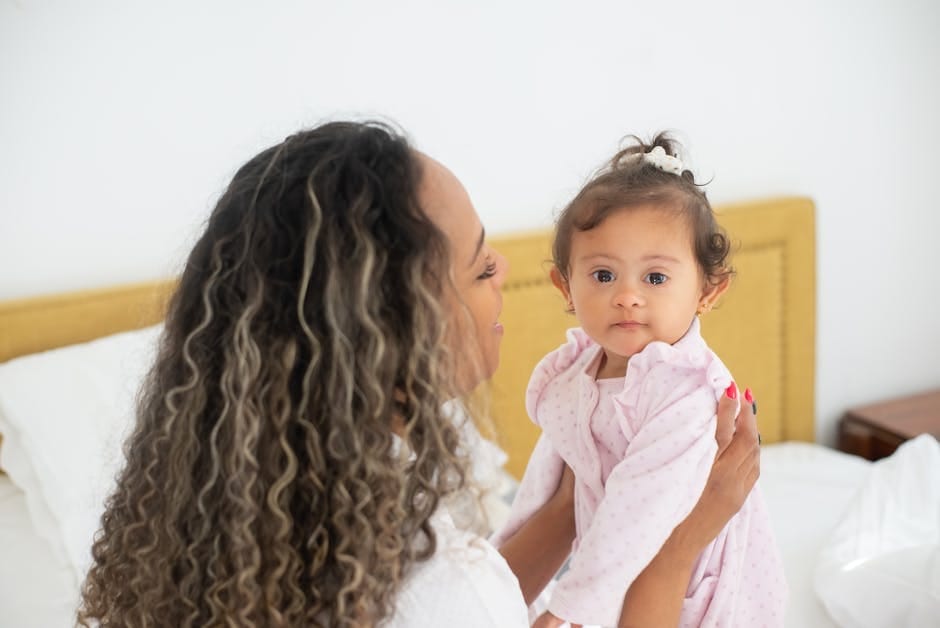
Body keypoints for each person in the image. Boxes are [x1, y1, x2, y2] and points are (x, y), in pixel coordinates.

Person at [77, 121, 762, 627]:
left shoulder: (288, 521)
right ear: (393, 326)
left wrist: (570, 505)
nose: (505, 271)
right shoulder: (433, 591)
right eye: (478, 263)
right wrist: (687, 538)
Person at [491, 134, 787, 627]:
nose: (627, 296)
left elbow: (633, 516)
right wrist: (494, 591)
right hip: (611, 579)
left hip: (690, 585)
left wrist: (563, 614)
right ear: (565, 285)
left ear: (708, 292)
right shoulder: (575, 376)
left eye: (654, 278)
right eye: (604, 276)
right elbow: (542, 494)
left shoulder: (685, 392)